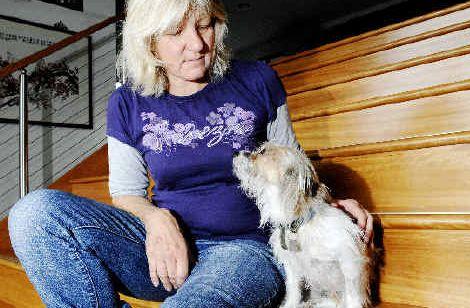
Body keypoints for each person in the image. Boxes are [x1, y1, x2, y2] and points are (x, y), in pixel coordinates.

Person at [8, 0, 374, 307]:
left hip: (246, 251)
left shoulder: (257, 80)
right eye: (176, 33)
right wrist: (157, 220)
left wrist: (328, 207)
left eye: (205, 25)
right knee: (32, 214)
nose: (197, 44)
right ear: (150, 43)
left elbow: (291, 167)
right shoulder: (126, 103)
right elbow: (127, 193)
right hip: (163, 255)